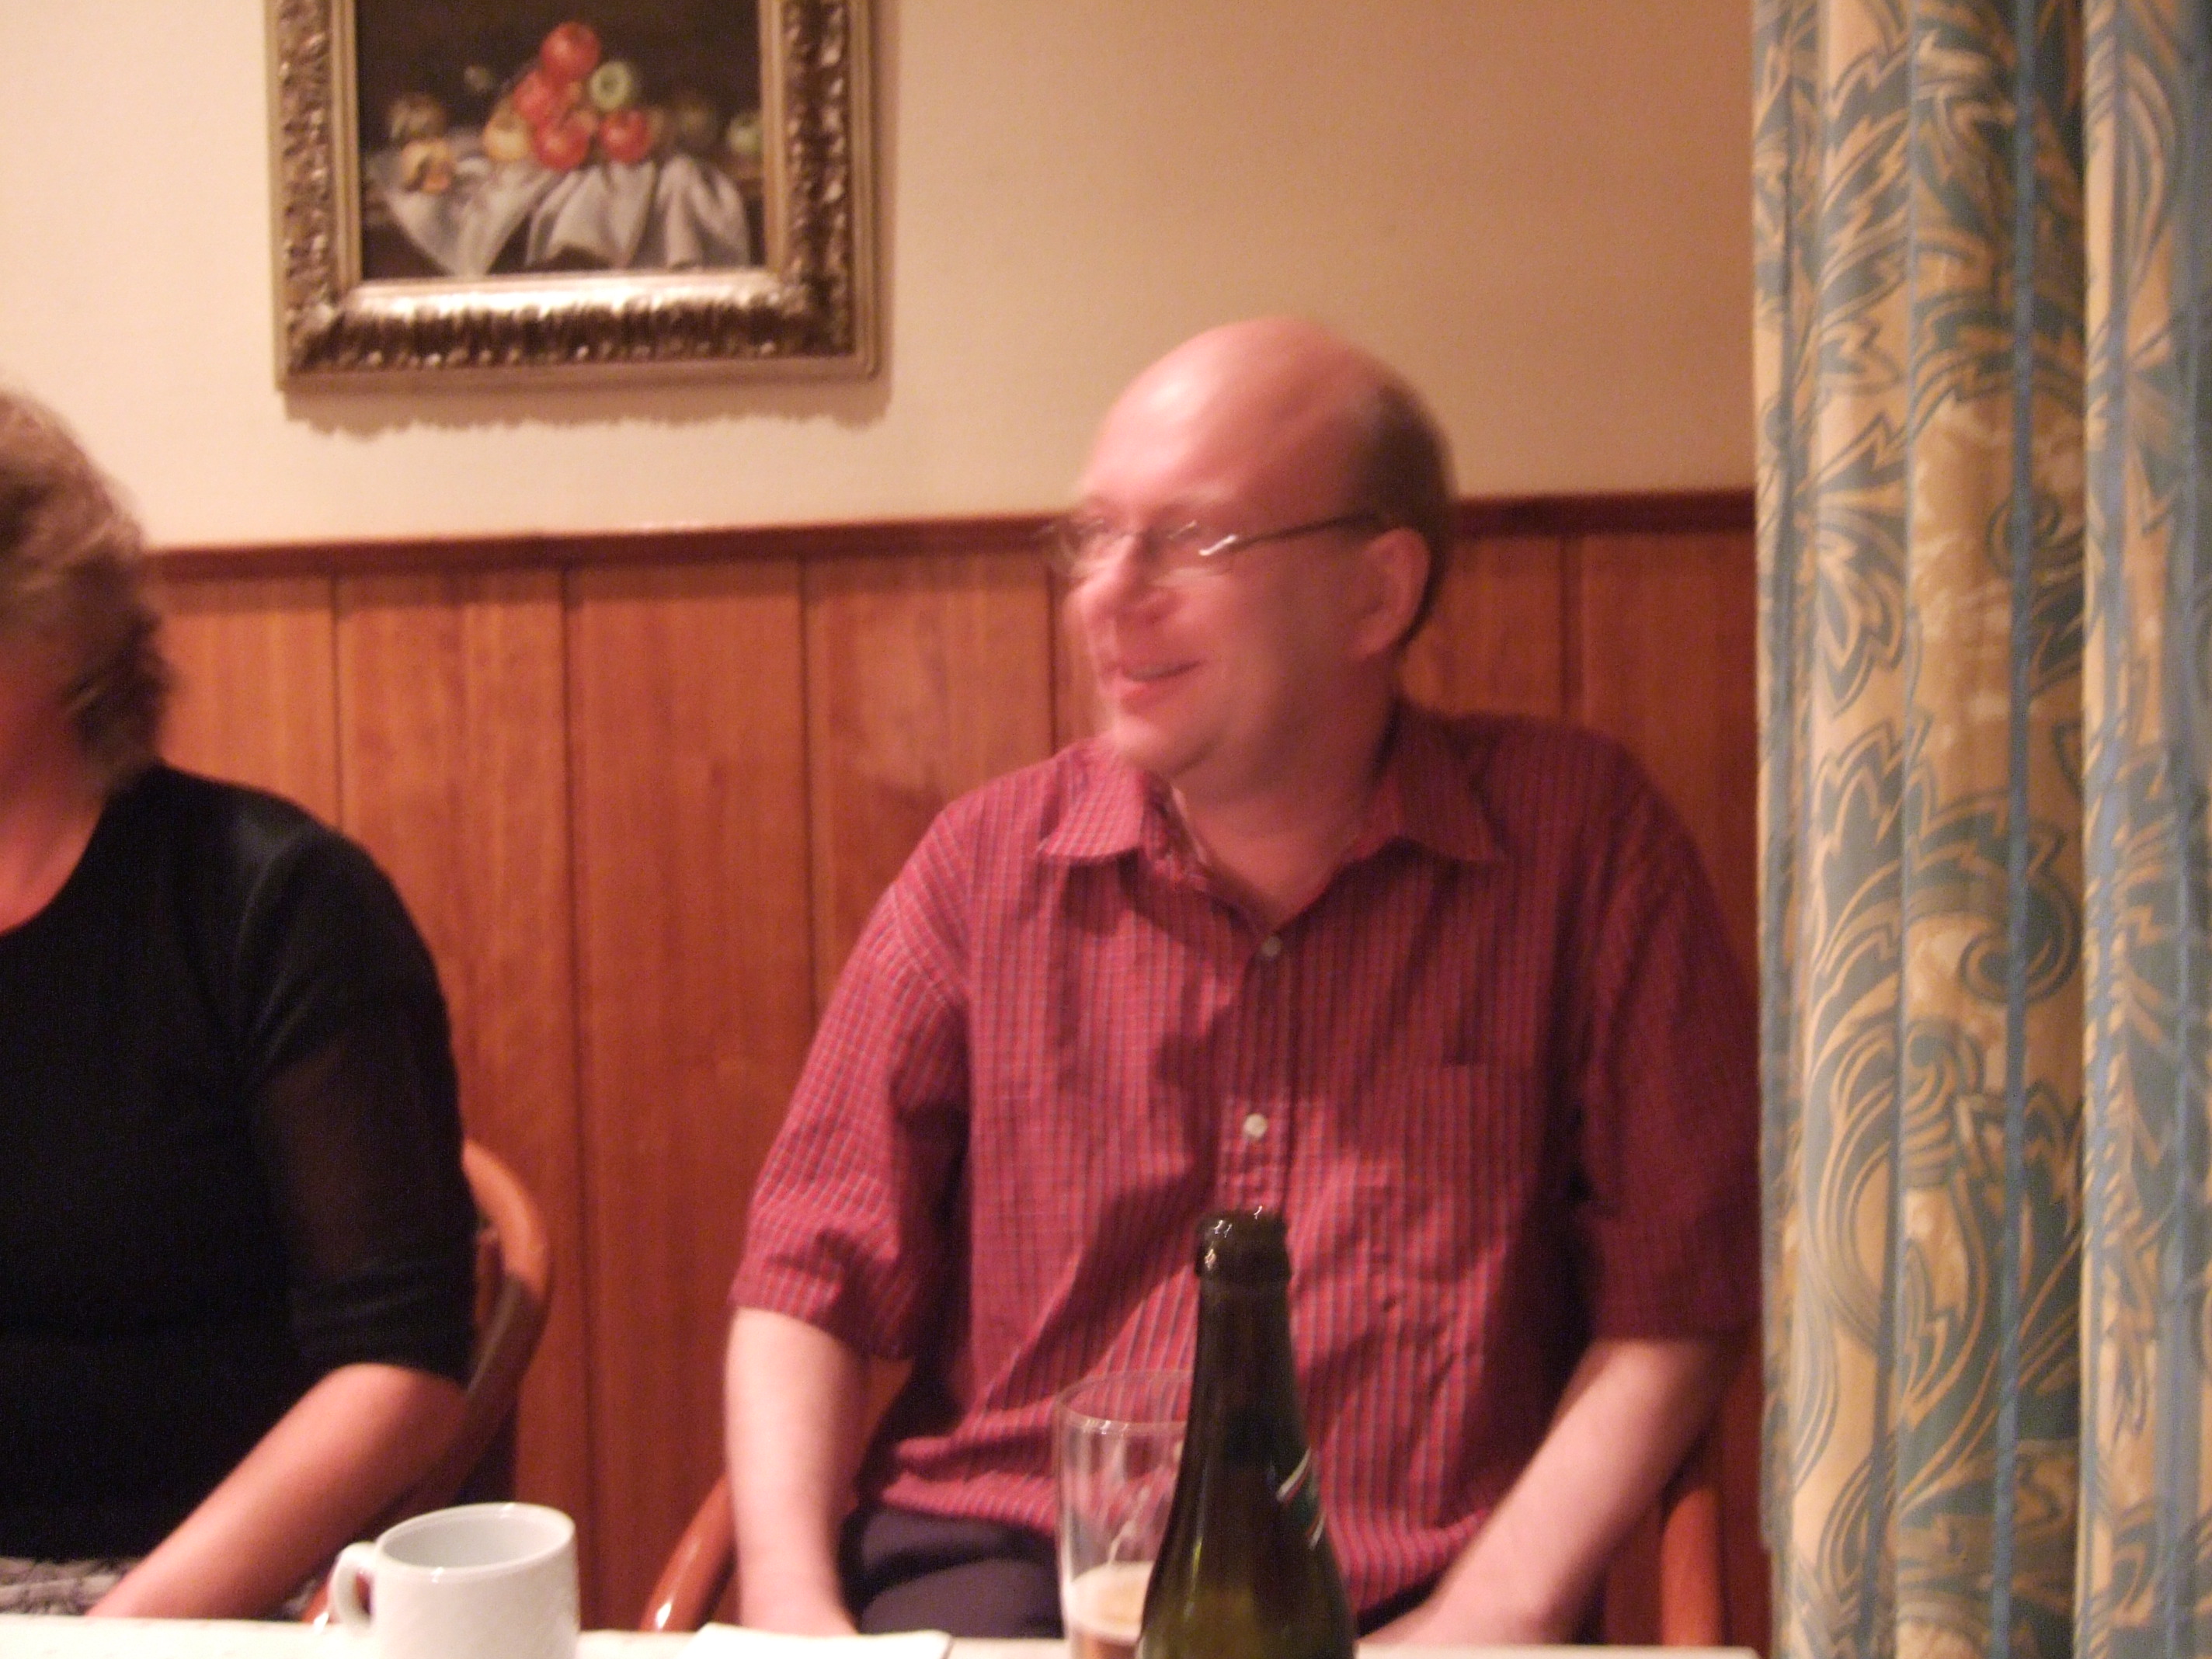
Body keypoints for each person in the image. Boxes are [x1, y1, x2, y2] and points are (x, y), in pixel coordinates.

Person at [726, 318, 1759, 1644]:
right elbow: (805, 1278)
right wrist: (791, 1607)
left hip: (1403, 1595)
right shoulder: (986, 866)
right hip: (1017, 1569)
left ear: (1377, 594)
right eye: (1094, 537)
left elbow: (1680, 1297)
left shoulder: (1579, 847)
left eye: (1192, 540)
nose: (1107, 595)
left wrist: (1493, 1610)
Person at [0, 389, 479, 1618]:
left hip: (180, 1597)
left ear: (53, 626)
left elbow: (399, 1369)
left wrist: (111, 1643)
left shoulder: (269, 901)